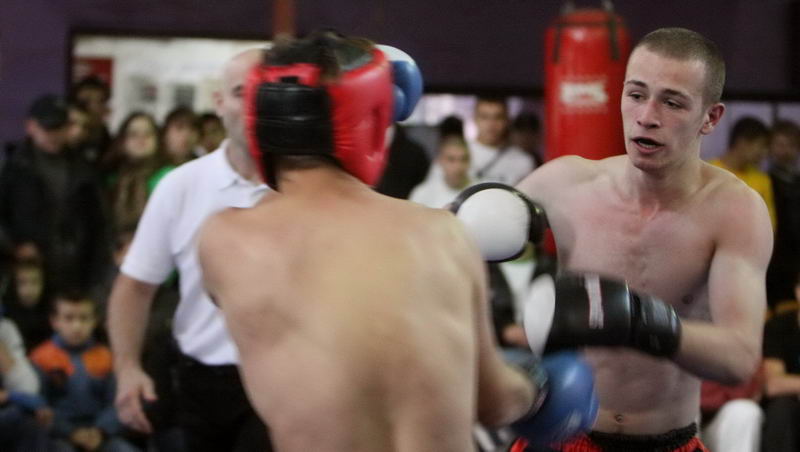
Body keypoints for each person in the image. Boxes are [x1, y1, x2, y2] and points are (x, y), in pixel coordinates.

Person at [198, 31, 597, 452]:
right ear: (372, 123)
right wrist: (541, 387)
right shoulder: (441, 234)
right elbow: (493, 402)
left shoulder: (225, 241)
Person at [457, 27, 773, 451]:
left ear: (711, 118)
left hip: (668, 441)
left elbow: (739, 358)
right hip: (562, 436)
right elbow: (443, 254)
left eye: (672, 102)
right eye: (636, 94)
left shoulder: (736, 211)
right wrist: (465, 215)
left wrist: (640, 322)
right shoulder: (564, 183)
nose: (647, 116)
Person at [106, 49, 272, 452]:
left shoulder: (310, 188)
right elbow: (134, 287)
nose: (254, 105)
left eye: (267, 92)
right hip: (200, 381)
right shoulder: (181, 185)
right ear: (219, 103)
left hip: (283, 382)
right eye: (241, 92)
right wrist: (127, 368)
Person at [0, 94, 111, 294]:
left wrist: (95, 274)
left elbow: (98, 223)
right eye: (48, 127)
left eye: (60, 127)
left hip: (74, 270)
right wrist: (14, 246)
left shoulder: (84, 169)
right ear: (31, 126)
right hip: (27, 273)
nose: (54, 134)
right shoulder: (12, 168)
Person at [29, 294, 139, 452]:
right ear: (54, 321)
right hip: (57, 436)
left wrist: (101, 430)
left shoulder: (107, 357)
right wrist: (70, 432)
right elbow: (39, 405)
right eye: (69, 318)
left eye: (84, 318)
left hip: (100, 433)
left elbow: (118, 402)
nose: (77, 326)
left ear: (94, 321)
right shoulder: (40, 358)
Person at [709, 116, 777, 228]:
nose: (764, 153)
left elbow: (769, 225)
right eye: (761, 145)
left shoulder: (762, 180)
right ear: (742, 142)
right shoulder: (707, 172)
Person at [760, 271, 800, 452]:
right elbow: (773, 384)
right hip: (789, 404)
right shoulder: (778, 326)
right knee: (781, 407)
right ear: (798, 291)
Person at [766, 120, 800, 309]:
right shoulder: (764, 180)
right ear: (769, 147)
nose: (785, 151)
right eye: (780, 144)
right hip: (773, 255)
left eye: (791, 145)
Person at [470, 96, 534, 184]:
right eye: (484, 117)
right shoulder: (456, 155)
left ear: (507, 120)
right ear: (474, 119)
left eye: (498, 117)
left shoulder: (523, 161)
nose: (491, 124)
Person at [409, 135, 471, 207]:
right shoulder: (422, 194)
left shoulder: (479, 192)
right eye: (451, 159)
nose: (458, 166)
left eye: (464, 159)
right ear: (440, 161)